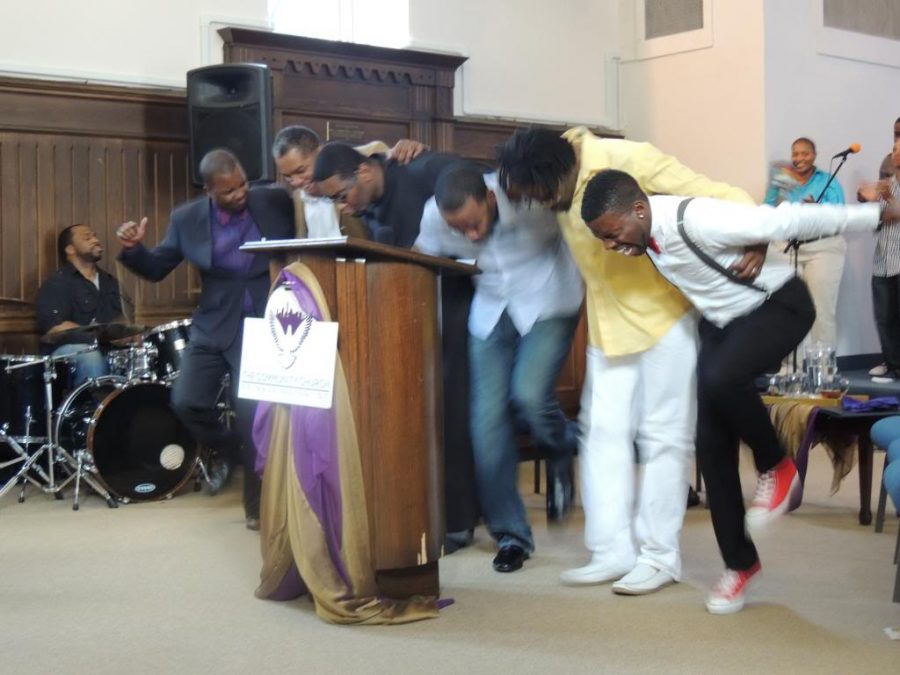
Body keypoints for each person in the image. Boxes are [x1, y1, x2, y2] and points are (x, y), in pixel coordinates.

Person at [580, 168, 894, 613]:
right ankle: (739, 565)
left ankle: (778, 466)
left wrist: (877, 213)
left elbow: (787, 221)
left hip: (778, 306)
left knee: (720, 377)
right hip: (722, 322)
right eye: (601, 239)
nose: (610, 245)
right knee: (709, 443)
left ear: (638, 209)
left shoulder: (696, 219)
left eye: (611, 234)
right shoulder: (643, 231)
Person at [497, 127, 761, 596]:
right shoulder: (546, 167)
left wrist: (756, 235)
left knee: (663, 439)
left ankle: (660, 556)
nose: (541, 205)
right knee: (601, 438)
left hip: (666, 320)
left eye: (543, 196)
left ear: (564, 173)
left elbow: (720, 193)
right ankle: (611, 550)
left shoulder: (629, 158)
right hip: (606, 327)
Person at [414, 164, 582, 572]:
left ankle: (561, 446)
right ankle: (511, 535)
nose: (471, 236)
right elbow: (421, 262)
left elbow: (579, 228)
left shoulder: (527, 199)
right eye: (461, 231)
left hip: (549, 300)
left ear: (490, 199)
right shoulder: (435, 217)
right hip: (489, 311)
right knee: (485, 425)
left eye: (475, 223)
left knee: (527, 395)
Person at [313, 142, 480, 551]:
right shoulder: (366, 208)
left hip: (458, 310)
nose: (341, 205)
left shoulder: (421, 170)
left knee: (451, 414)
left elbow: (478, 181)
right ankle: (425, 511)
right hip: (407, 317)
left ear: (365, 173)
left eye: (341, 195)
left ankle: (459, 521)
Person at [116, 149, 294, 530]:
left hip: (266, 322)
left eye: (243, 183)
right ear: (209, 190)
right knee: (187, 401)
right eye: (229, 191)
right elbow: (157, 268)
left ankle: (257, 507)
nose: (241, 193)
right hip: (214, 322)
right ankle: (228, 450)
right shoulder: (187, 218)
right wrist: (134, 250)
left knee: (252, 417)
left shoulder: (274, 199)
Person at [271, 125, 427, 239]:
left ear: (320, 151)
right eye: (288, 177)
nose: (296, 182)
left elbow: (407, 167)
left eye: (301, 171)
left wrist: (412, 147)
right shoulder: (299, 197)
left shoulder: (365, 159)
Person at [764, 137, 846, 347]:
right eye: (795, 154)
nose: (799, 158)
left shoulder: (827, 180)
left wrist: (817, 210)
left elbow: (840, 213)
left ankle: (823, 373)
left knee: (821, 310)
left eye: (805, 153)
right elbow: (767, 210)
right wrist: (777, 187)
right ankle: (790, 370)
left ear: (814, 155)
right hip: (789, 247)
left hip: (823, 247)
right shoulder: (783, 179)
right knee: (789, 309)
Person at [35, 224, 123, 384]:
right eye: (87, 237)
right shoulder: (56, 283)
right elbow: (55, 327)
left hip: (108, 349)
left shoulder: (110, 282)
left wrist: (130, 336)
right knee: (91, 358)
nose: (96, 240)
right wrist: (97, 336)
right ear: (70, 249)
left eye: (95, 236)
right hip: (67, 353)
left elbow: (122, 320)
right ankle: (91, 408)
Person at [870, 139, 900, 383]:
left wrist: (892, 206)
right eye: (894, 150)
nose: (895, 154)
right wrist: (873, 206)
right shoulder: (885, 185)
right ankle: (892, 365)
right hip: (883, 259)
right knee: (884, 316)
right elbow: (877, 221)